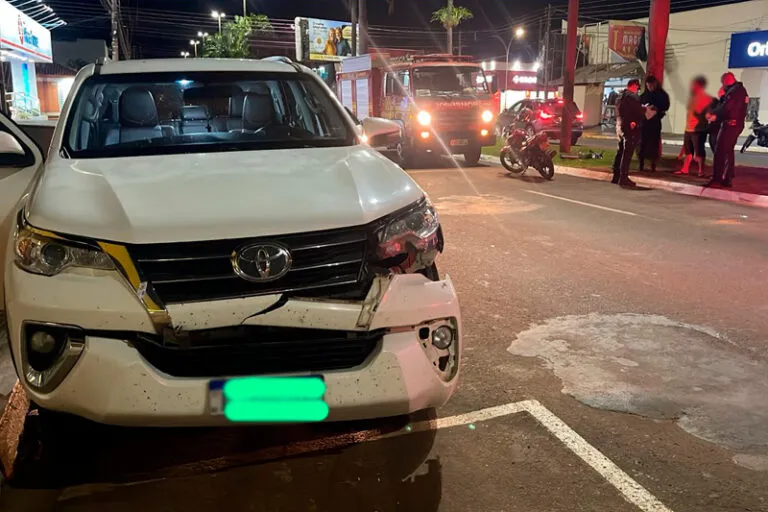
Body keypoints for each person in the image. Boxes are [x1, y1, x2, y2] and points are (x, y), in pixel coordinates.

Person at [707, 72, 748, 188]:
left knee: (720, 151)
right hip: (736, 124)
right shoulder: (741, 90)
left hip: (730, 125)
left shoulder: (734, 92)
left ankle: (717, 179)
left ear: (725, 82)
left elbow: (727, 107)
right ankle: (727, 178)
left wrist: (715, 114)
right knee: (728, 151)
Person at [677, 76, 713, 177]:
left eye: (693, 85)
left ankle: (701, 171)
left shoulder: (706, 98)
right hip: (688, 128)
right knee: (688, 151)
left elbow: (707, 114)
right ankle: (685, 169)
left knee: (699, 151)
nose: (691, 86)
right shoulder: (691, 97)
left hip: (699, 129)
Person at [612, 79, 645, 187]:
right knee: (627, 153)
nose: (637, 89)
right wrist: (643, 111)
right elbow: (638, 112)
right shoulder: (632, 97)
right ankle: (623, 177)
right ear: (634, 85)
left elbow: (619, 111)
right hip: (629, 127)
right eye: (637, 87)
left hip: (619, 125)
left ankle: (616, 176)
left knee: (620, 151)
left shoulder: (620, 96)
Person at [638, 75, 670, 172]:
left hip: (655, 122)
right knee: (642, 143)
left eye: (651, 86)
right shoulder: (645, 95)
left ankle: (653, 164)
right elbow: (639, 103)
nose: (650, 88)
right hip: (644, 123)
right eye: (648, 86)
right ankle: (641, 164)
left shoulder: (662, 94)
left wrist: (657, 108)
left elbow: (665, 106)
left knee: (654, 143)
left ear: (655, 84)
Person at [708, 87, 725, 155]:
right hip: (714, 128)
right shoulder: (717, 102)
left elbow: (725, 113)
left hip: (720, 127)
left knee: (717, 144)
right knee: (712, 142)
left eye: (721, 91)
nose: (719, 92)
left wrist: (716, 117)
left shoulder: (726, 102)